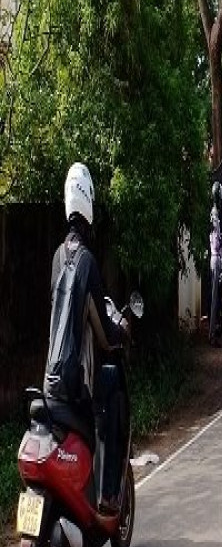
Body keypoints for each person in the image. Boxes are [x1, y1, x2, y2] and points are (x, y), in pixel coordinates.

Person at [45, 162, 130, 513]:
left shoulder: (56, 258)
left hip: (49, 383)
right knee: (112, 388)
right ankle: (109, 493)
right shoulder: (87, 263)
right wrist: (122, 331)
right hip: (74, 386)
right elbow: (105, 335)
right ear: (89, 203)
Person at [208, 182, 222, 347]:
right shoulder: (214, 214)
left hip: (218, 260)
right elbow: (216, 242)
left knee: (220, 296)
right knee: (215, 298)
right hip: (216, 259)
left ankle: (217, 329)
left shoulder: (216, 214)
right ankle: (212, 334)